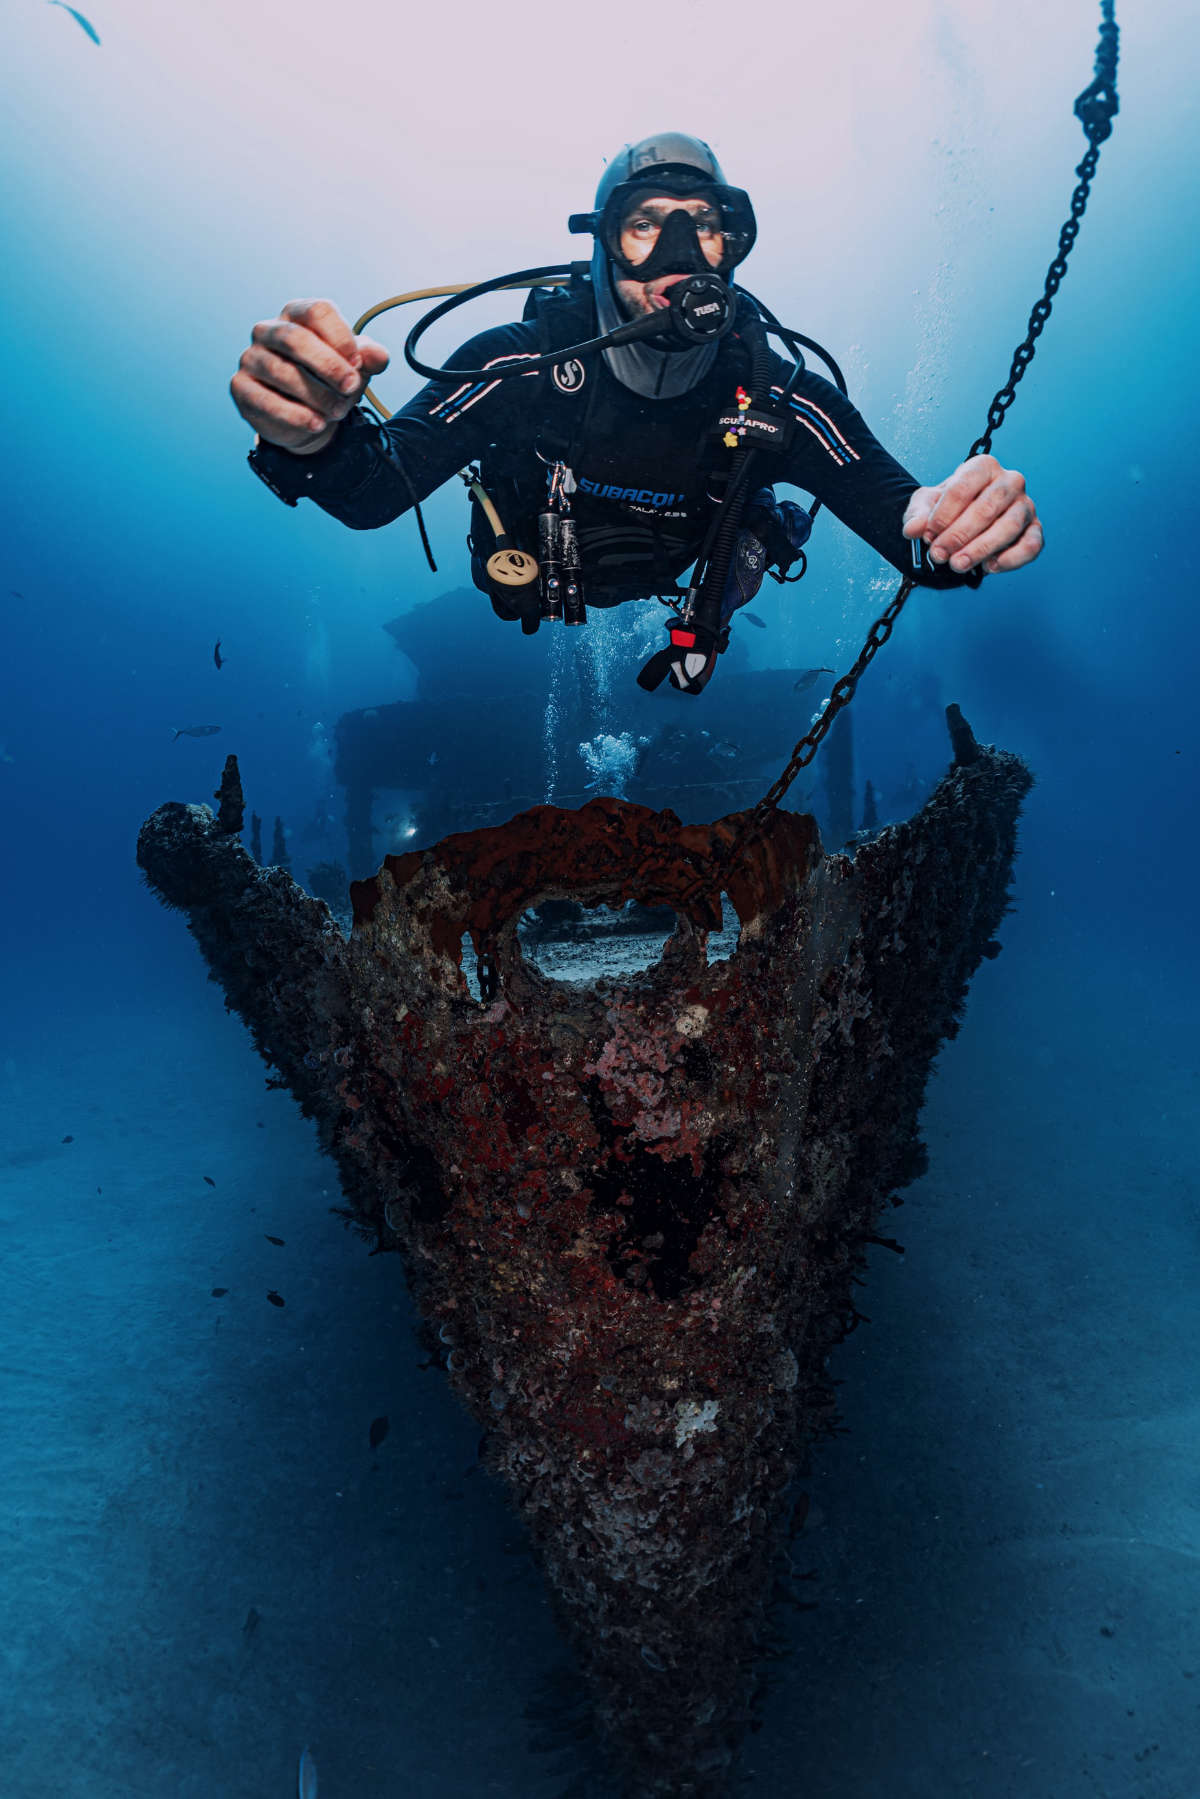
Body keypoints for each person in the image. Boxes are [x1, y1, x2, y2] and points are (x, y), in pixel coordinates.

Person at [232, 132, 1043, 694]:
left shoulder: (777, 396)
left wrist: (954, 530)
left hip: (682, 571)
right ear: (602, 245)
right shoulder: (518, 365)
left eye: (707, 229)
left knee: (756, 525)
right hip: (534, 576)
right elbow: (375, 492)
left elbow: (906, 525)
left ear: (735, 246)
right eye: (645, 225)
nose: (680, 256)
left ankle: (724, 596)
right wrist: (314, 438)